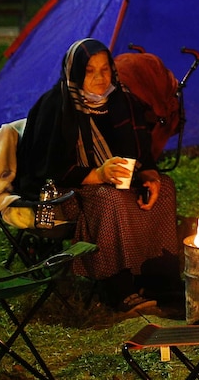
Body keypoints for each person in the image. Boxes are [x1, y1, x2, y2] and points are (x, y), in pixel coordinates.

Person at [15, 38, 181, 310]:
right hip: (64, 190)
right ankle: (118, 286)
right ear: (75, 72)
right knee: (111, 199)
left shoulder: (122, 101)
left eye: (105, 69)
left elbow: (142, 151)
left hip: (110, 182)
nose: (100, 78)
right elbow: (47, 168)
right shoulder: (56, 106)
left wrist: (148, 173)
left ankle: (157, 280)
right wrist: (97, 174)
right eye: (90, 71)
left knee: (165, 187)